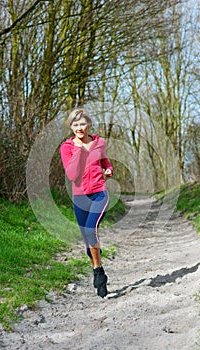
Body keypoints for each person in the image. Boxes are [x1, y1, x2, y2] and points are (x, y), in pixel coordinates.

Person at [60, 108, 113, 298]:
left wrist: (108, 169)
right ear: (71, 127)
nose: (79, 128)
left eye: (82, 124)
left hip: (99, 194)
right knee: (88, 242)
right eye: (75, 125)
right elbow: (72, 175)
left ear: (88, 124)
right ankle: (97, 266)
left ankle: (98, 273)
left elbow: (105, 161)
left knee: (91, 231)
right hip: (80, 197)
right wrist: (80, 152)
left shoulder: (99, 143)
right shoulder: (66, 148)